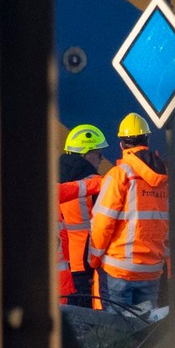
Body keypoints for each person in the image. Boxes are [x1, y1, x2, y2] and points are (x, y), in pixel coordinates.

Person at [88, 112, 175, 311]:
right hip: (152, 270)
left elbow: (102, 224)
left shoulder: (119, 176)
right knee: (144, 332)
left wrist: (95, 259)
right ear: (147, 140)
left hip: (118, 270)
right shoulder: (169, 179)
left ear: (122, 145)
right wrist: (160, 257)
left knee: (116, 333)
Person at [57, 124, 111, 306]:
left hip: (63, 265)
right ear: (86, 154)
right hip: (86, 263)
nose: (102, 159)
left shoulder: (54, 179)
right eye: (99, 154)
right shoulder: (96, 184)